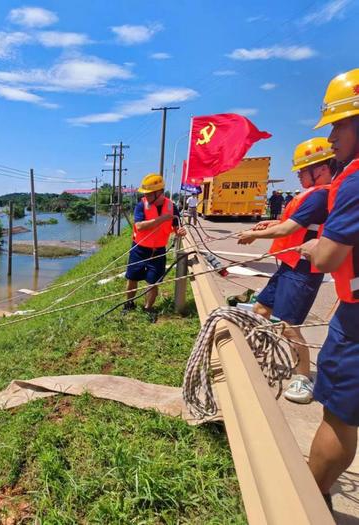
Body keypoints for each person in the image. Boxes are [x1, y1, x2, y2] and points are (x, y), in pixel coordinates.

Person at [298, 68, 359, 512]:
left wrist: (314, 245)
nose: (332, 137)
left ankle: (306, 503)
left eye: (339, 124)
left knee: (340, 412)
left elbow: (326, 258)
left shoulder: (354, 181)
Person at [237, 137, 334, 404]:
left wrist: (254, 235)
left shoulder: (322, 195)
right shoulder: (312, 196)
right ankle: (261, 353)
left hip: (303, 271)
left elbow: (289, 230)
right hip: (290, 264)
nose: (300, 175)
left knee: (288, 325)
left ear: (321, 169)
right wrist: (270, 222)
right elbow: (291, 222)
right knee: (261, 310)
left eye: (303, 170)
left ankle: (303, 377)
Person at [123, 173, 186, 323]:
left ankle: (148, 308)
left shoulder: (172, 207)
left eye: (149, 193)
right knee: (132, 278)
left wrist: (180, 232)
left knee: (153, 282)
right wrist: (161, 219)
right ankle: (128, 304)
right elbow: (139, 226)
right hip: (139, 249)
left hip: (158, 251)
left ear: (159, 193)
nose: (146, 196)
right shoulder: (141, 205)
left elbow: (177, 228)